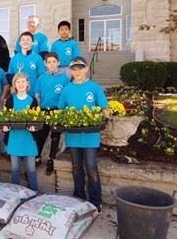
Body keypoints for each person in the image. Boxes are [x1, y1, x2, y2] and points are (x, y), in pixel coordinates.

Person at [57, 56, 109, 212]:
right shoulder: (67, 89)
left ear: (86, 69)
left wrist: (105, 120)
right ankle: (79, 197)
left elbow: (104, 108)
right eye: (74, 69)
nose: (77, 71)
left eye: (80, 68)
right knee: (76, 167)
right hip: (73, 136)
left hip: (91, 137)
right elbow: (61, 109)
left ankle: (95, 201)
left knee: (91, 167)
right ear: (71, 71)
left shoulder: (94, 87)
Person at [2, 73, 39, 191]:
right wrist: (5, 127)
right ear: (14, 85)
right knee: (15, 168)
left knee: (31, 168)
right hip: (14, 138)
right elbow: (5, 118)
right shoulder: (10, 100)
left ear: (27, 83)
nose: (21, 84)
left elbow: (36, 119)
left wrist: (35, 127)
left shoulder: (32, 100)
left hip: (28, 138)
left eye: (23, 81)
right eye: (18, 82)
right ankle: (15, 192)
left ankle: (34, 191)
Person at [34, 52, 69, 172]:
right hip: (44, 110)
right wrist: (38, 110)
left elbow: (65, 96)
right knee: (41, 135)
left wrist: (62, 111)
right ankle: (37, 157)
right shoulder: (42, 77)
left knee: (55, 136)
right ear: (45, 64)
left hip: (57, 111)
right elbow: (38, 95)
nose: (52, 64)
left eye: (54, 62)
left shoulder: (64, 78)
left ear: (58, 63)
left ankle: (51, 159)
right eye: (49, 62)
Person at [7, 31, 45, 96]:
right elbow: (9, 75)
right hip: (18, 95)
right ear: (19, 43)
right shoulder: (14, 59)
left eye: (28, 39)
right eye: (23, 40)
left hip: (33, 94)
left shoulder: (38, 58)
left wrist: (38, 93)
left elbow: (41, 77)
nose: (25, 41)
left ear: (32, 42)